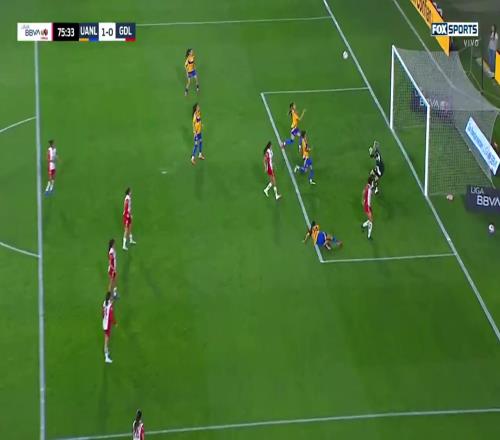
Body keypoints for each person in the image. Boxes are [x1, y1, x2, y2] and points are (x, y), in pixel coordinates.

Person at [102, 291, 116, 364]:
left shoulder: (104, 303)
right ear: (109, 298)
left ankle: (106, 351)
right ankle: (106, 357)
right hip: (107, 325)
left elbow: (102, 312)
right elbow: (111, 317)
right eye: (111, 297)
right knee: (106, 340)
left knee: (106, 338)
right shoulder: (110, 306)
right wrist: (115, 323)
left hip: (104, 323)